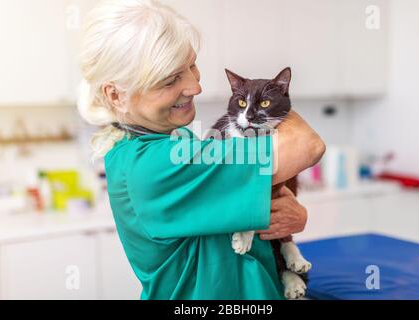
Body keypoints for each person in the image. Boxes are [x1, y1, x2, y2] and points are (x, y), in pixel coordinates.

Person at [77, 0, 325, 300]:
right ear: (116, 95)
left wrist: (281, 217)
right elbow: (307, 145)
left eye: (192, 65)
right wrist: (277, 94)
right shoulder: (161, 162)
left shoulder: (141, 148)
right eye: (170, 79)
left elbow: (228, 218)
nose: (195, 86)